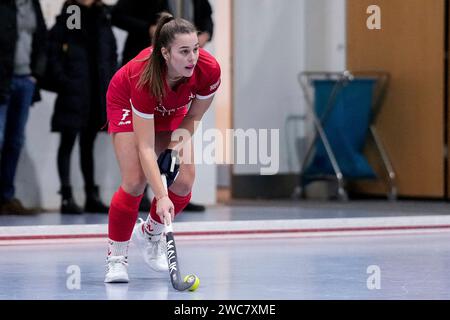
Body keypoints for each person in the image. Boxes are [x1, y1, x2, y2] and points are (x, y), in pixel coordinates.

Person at [104, 13, 220, 283]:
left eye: (195, 49)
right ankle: (116, 258)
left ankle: (150, 234)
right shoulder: (143, 75)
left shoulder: (208, 69)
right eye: (184, 52)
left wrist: (172, 150)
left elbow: (193, 117)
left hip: (172, 108)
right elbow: (145, 147)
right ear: (165, 53)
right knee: (135, 180)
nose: (192, 58)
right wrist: (161, 195)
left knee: (184, 181)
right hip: (127, 103)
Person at [46, 0, 117, 214]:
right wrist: (65, 80)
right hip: (75, 89)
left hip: (96, 90)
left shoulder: (102, 15)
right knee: (68, 140)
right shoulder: (74, 13)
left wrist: (111, 81)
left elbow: (109, 52)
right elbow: (60, 46)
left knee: (89, 144)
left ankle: (91, 195)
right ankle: (66, 196)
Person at [0, 0, 47, 215]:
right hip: (2, 79)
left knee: (15, 141)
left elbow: (41, 39)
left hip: (25, 81)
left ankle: (6, 197)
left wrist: (35, 75)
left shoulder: (33, 4)